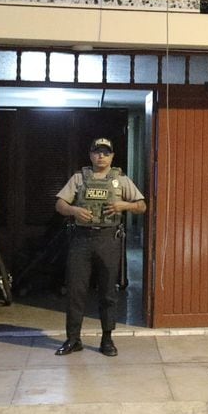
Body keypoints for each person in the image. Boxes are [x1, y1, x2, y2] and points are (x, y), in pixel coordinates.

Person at [53, 137, 146, 357]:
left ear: (112, 156)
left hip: (108, 239)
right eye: (97, 152)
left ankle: (107, 339)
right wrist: (74, 211)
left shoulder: (120, 180)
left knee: (108, 291)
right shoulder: (79, 178)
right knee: (75, 290)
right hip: (81, 239)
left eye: (106, 153)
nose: (101, 156)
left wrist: (124, 205)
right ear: (90, 155)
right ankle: (73, 339)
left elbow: (142, 206)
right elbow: (59, 204)